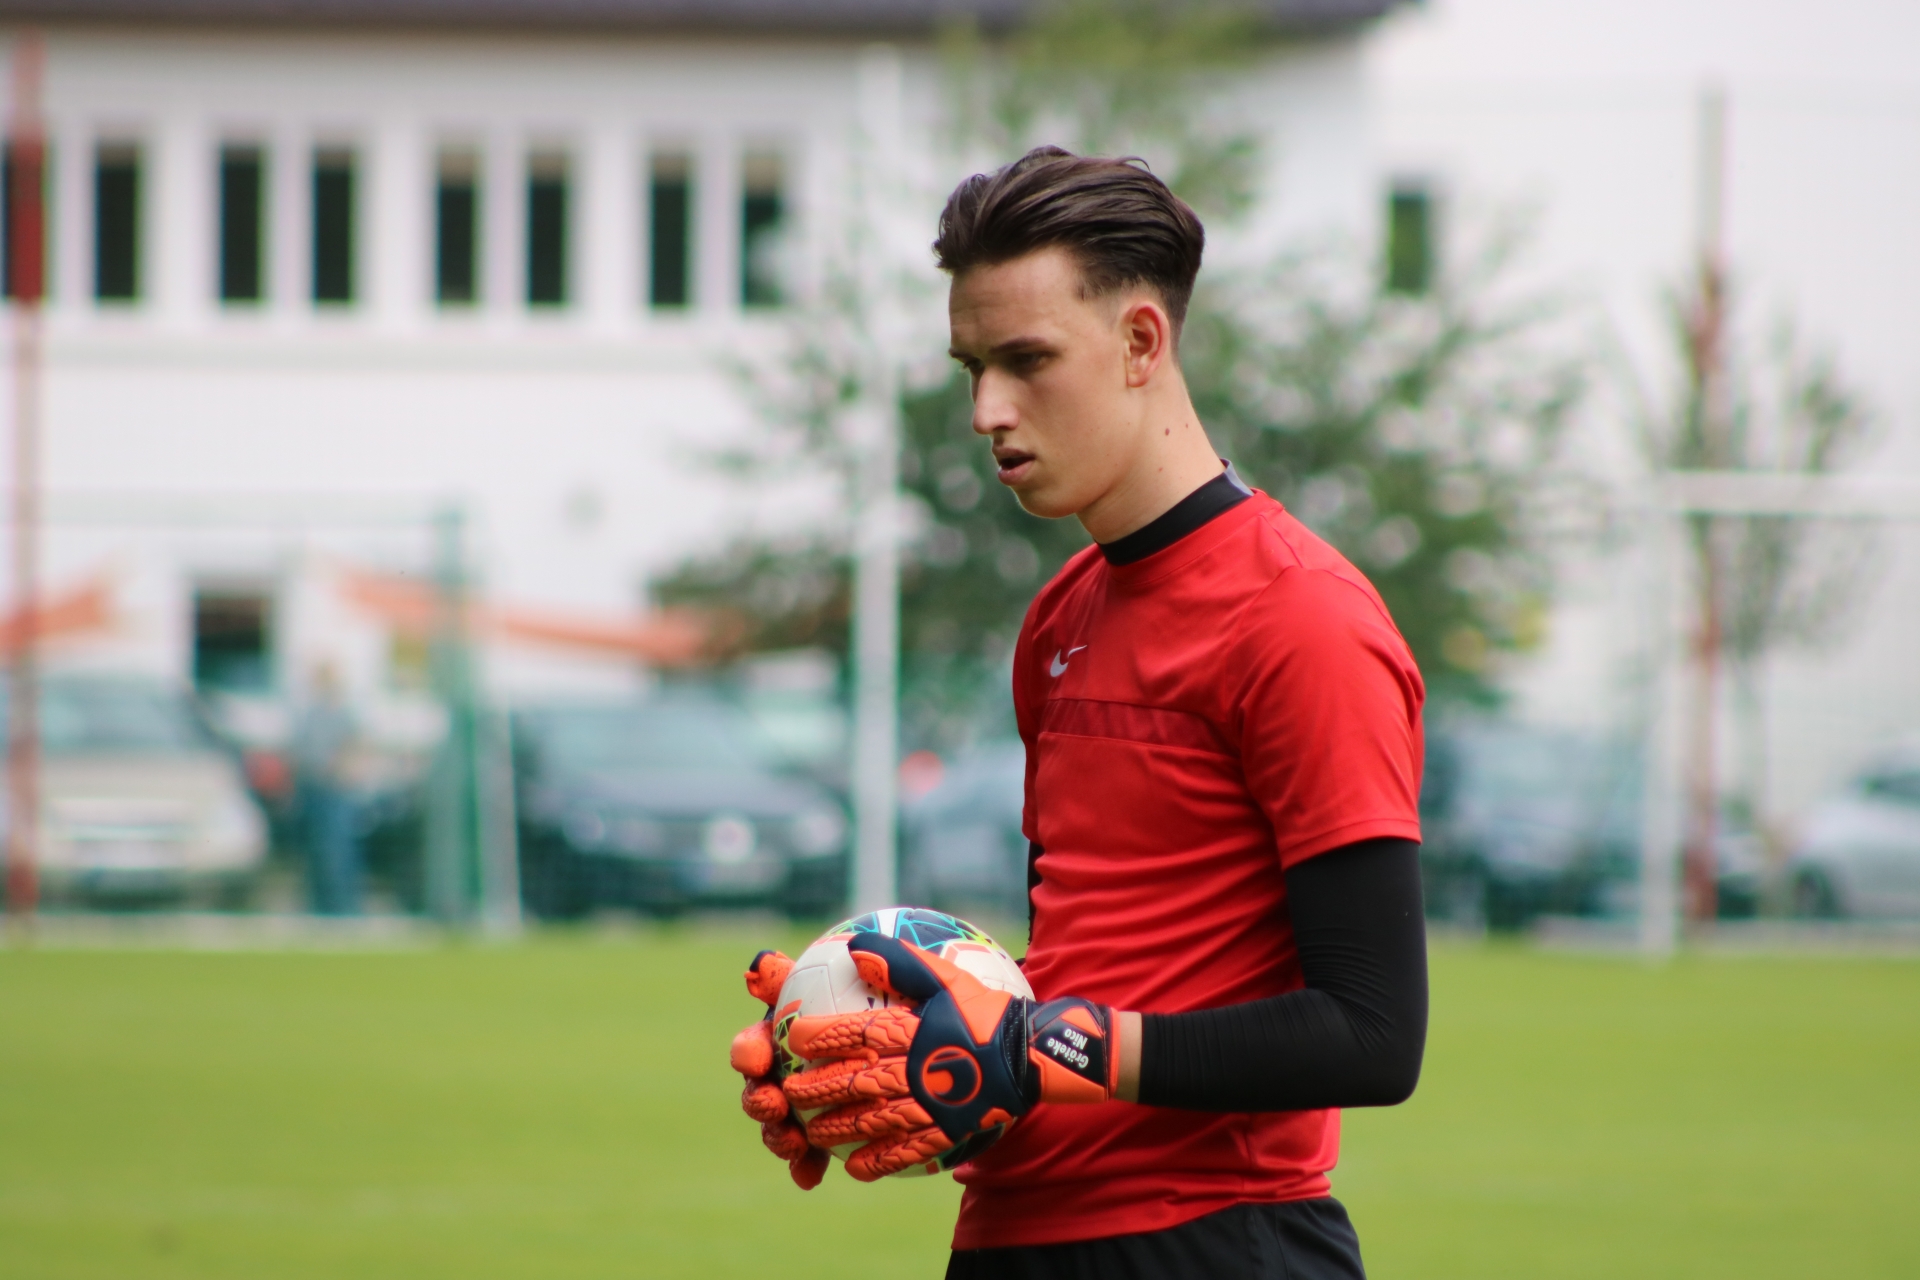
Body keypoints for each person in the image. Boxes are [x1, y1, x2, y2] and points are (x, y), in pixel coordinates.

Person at [731, 147, 1428, 1279]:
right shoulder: (1060, 614)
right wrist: (881, 1044)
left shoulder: (1303, 617)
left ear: (1142, 342)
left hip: (1217, 1243)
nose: (986, 410)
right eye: (973, 367)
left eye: (1027, 360)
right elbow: (1088, 966)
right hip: (1014, 1235)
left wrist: (1045, 1047)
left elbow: (1374, 1032)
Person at [291, 660, 364, 916]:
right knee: (317, 848)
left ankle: (342, 905)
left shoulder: (341, 713)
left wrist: (337, 768)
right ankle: (320, 905)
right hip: (312, 787)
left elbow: (352, 748)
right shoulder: (311, 714)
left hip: (335, 789)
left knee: (338, 847)